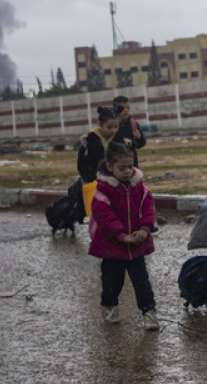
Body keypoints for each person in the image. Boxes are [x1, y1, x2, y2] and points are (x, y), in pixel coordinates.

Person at [87, 141, 160, 330]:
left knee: (142, 281)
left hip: (136, 246)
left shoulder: (139, 187)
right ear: (109, 167)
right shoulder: (103, 191)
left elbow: (148, 209)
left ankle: (149, 311)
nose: (128, 171)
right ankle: (109, 307)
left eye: (130, 166)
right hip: (113, 247)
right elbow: (104, 217)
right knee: (112, 282)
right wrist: (121, 236)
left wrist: (144, 229)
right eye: (122, 168)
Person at [78, 106, 119, 184]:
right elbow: (83, 167)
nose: (113, 130)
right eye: (109, 127)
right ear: (100, 123)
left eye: (116, 127)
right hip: (95, 182)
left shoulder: (119, 140)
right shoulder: (90, 142)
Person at [112, 95, 148, 166]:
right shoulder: (111, 125)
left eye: (128, 108)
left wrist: (139, 138)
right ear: (115, 109)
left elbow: (140, 144)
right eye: (122, 108)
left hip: (131, 162)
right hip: (116, 161)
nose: (126, 110)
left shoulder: (133, 124)